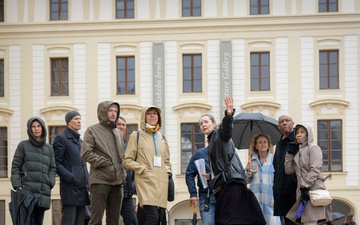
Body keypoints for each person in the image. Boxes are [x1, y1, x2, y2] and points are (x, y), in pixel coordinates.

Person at [199, 96, 266, 225]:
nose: (203, 125)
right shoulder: (212, 141)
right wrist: (211, 176)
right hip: (226, 185)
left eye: (206, 122)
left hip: (232, 184)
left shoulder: (219, 134)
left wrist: (228, 115)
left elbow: (226, 130)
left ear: (214, 124)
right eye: (201, 124)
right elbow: (220, 164)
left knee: (229, 220)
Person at [124, 105, 171, 225]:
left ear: (158, 117)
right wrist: (142, 168)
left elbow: (167, 161)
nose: (152, 116)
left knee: (159, 219)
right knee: (152, 217)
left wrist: (167, 171)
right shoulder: (136, 135)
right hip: (145, 181)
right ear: (144, 117)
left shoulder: (163, 137)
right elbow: (127, 160)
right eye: (149, 113)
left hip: (161, 182)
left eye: (155, 114)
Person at [81, 101, 126, 225]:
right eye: (110, 110)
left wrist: (123, 173)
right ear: (103, 112)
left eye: (115, 111)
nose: (113, 114)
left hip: (118, 183)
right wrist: (106, 163)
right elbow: (85, 153)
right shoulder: (92, 130)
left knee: (114, 221)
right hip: (100, 182)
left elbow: (122, 156)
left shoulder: (118, 133)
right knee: (96, 220)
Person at [11, 116, 57, 225]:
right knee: (27, 222)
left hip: (42, 192)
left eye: (38, 126)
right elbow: (15, 167)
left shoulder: (49, 148)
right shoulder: (23, 145)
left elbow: (53, 168)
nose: (36, 129)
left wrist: (50, 182)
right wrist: (17, 185)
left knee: (38, 222)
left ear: (43, 128)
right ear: (30, 129)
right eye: (33, 126)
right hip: (26, 192)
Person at [284, 123, 332, 225]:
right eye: (297, 132)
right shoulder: (297, 152)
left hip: (313, 189)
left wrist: (306, 186)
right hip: (302, 192)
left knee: (311, 220)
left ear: (308, 134)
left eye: (302, 132)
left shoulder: (314, 148)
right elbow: (288, 170)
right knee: (303, 221)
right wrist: (289, 155)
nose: (298, 135)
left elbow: (315, 168)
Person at [53, 110, 90, 225]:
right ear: (68, 122)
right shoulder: (61, 138)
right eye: (76, 119)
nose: (79, 121)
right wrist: (71, 177)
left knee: (80, 221)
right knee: (69, 221)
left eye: (80, 119)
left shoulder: (80, 141)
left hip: (83, 188)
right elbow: (55, 163)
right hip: (70, 188)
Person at [245, 134, 281, 225]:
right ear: (256, 146)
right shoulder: (251, 160)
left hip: (270, 200)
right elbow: (246, 180)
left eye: (265, 142)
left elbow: (279, 179)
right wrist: (248, 171)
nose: (262, 144)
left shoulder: (274, 159)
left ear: (269, 145)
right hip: (255, 201)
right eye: (260, 142)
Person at [273, 115, 297, 225]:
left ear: (292, 123)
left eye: (287, 121)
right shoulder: (279, 144)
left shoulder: (297, 141)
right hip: (281, 193)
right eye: (281, 122)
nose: (284, 123)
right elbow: (276, 167)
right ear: (279, 126)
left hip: (294, 192)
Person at [185, 146, 216, 225]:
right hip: (207, 196)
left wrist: (212, 176)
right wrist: (193, 194)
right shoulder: (200, 154)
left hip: (225, 196)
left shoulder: (226, 153)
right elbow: (189, 174)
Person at [116, 116, 138, 225]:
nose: (121, 127)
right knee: (112, 220)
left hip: (126, 193)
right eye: (118, 124)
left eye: (123, 125)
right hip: (113, 189)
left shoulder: (127, 145)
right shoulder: (108, 142)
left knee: (132, 221)